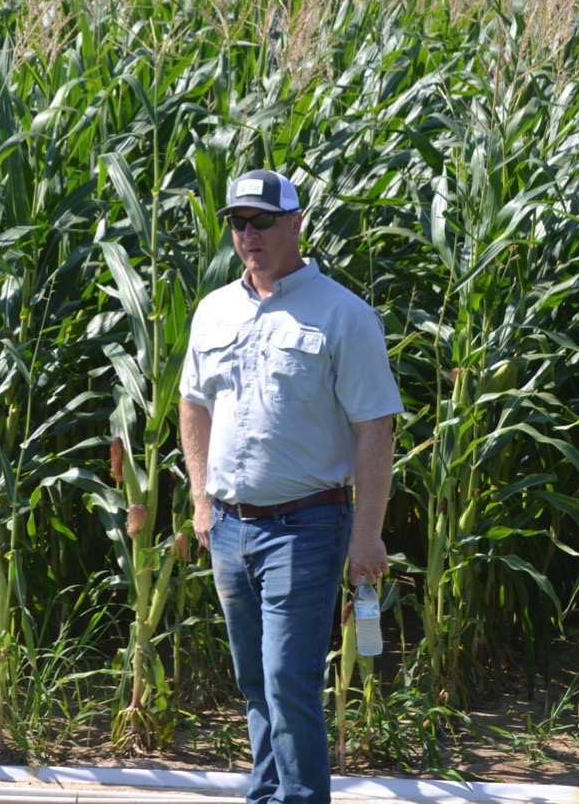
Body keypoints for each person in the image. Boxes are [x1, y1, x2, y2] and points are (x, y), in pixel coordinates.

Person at [179, 169, 402, 804]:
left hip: (306, 526)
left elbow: (375, 427)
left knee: (286, 678)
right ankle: (268, 795)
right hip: (228, 527)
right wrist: (201, 499)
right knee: (255, 680)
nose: (248, 234)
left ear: (297, 222)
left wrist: (367, 536)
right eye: (238, 222)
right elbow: (193, 403)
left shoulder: (343, 314)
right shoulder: (214, 310)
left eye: (263, 220)